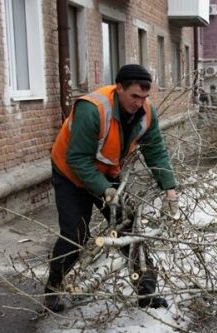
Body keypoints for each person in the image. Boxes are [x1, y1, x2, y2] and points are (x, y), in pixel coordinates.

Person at [45, 64, 179, 312]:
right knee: (76, 234)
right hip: (71, 174)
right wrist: (105, 190)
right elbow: (77, 159)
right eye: (134, 96)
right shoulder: (93, 109)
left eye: (144, 97)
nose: (139, 103)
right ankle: (53, 288)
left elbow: (156, 151)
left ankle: (145, 293)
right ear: (119, 88)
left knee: (129, 229)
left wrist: (169, 188)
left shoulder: (146, 113)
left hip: (106, 174)